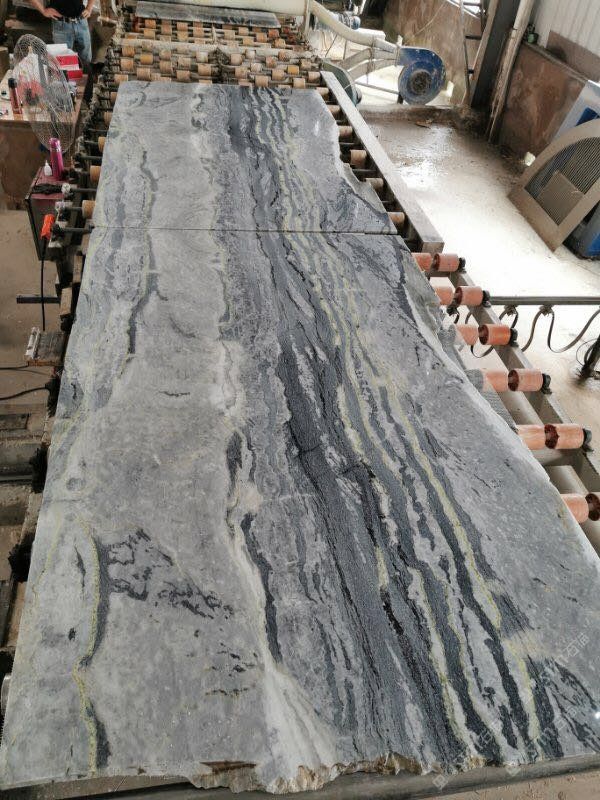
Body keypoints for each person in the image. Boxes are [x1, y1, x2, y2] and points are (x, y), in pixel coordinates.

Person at [31, 0, 95, 67]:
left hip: (81, 21)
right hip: (61, 24)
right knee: (65, 65)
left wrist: (89, 8)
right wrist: (43, 11)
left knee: (86, 62)